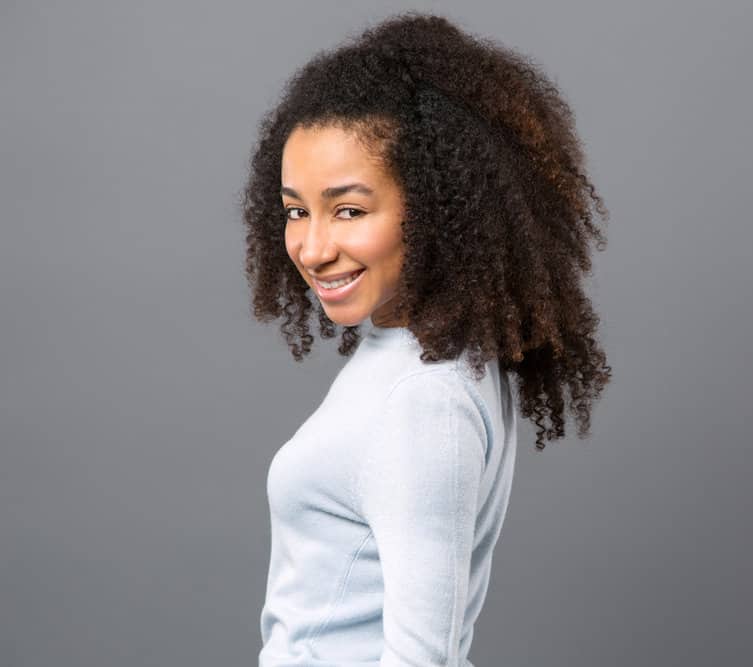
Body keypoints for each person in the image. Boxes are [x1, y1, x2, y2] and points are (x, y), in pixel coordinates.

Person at [240, 11, 612, 666]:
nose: (312, 246)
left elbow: (424, 658)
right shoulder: (418, 348)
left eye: (348, 209)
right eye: (296, 209)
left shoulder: (424, 398)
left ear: (437, 205)